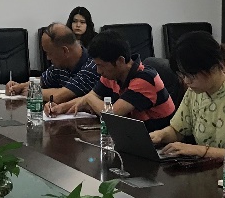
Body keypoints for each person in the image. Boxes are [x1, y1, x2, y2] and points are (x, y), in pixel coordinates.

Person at [151, 31, 225, 173]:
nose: (186, 81)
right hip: (212, 172)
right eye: (182, 75)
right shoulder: (194, 92)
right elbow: (178, 130)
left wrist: (197, 150)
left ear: (214, 66)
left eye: (192, 75)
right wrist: (160, 135)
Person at [48, 30, 176, 130]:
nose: (98, 71)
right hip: (131, 136)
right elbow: (91, 97)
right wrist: (60, 108)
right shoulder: (113, 75)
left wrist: (88, 99)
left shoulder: (145, 79)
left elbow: (113, 114)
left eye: (101, 66)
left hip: (159, 143)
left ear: (120, 61)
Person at [7, 23, 99, 103]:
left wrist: (33, 91)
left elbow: (59, 96)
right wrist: (19, 86)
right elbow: (42, 81)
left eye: (49, 53)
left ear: (64, 51)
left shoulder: (93, 66)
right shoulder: (61, 64)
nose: (48, 57)